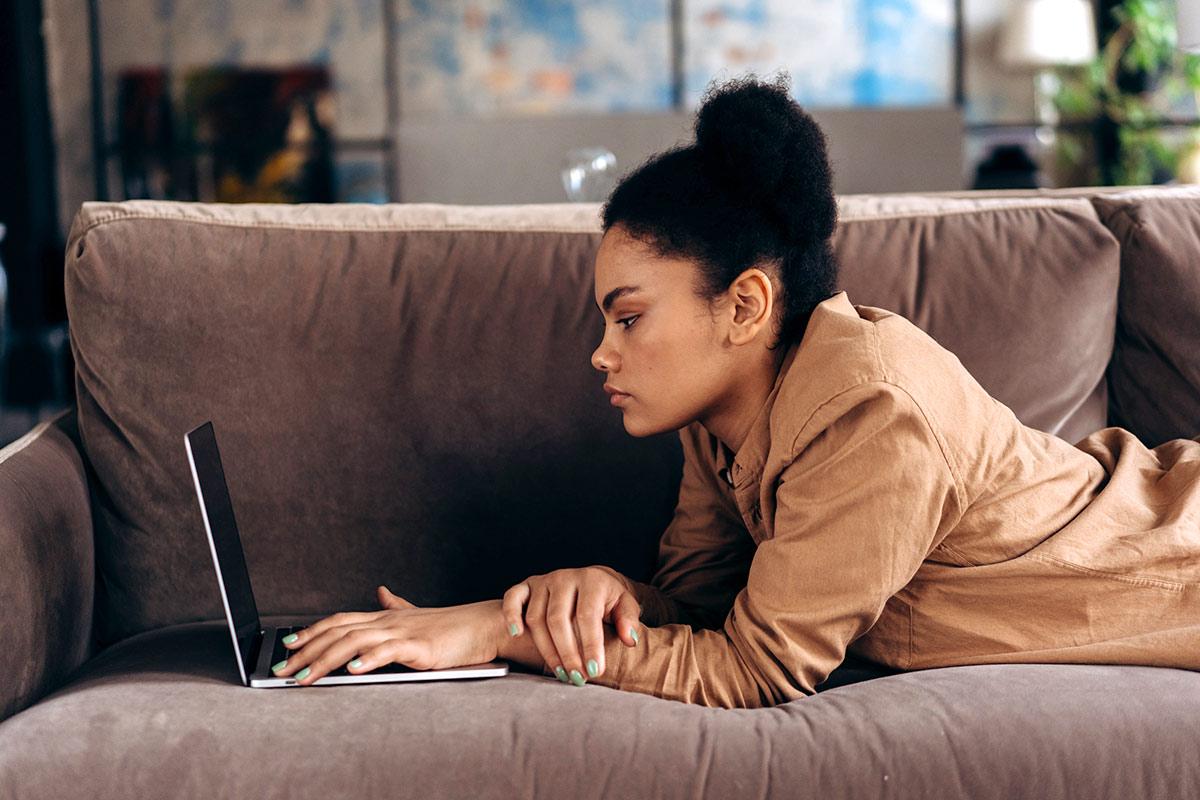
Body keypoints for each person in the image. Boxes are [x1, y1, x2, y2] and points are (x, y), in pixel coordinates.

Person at [271, 73, 1200, 708]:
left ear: (745, 304)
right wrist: (581, 596)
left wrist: (489, 633)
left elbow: (753, 669)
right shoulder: (722, 423)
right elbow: (704, 607)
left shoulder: (874, 411)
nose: (601, 353)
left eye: (628, 318)